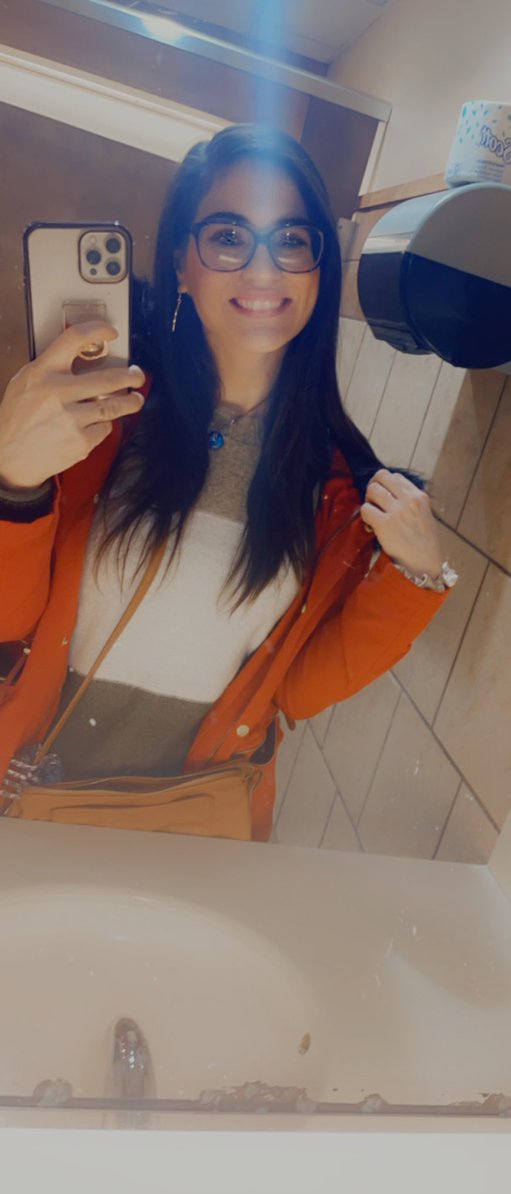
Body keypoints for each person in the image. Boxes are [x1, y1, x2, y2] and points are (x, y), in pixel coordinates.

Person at [0, 124, 455, 841]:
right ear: (182, 263)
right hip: (26, 802)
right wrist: (14, 485)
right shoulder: (98, 425)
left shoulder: (335, 492)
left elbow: (295, 691)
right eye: (228, 236)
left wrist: (415, 578)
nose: (262, 268)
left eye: (291, 239)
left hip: (190, 827)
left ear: (318, 269)